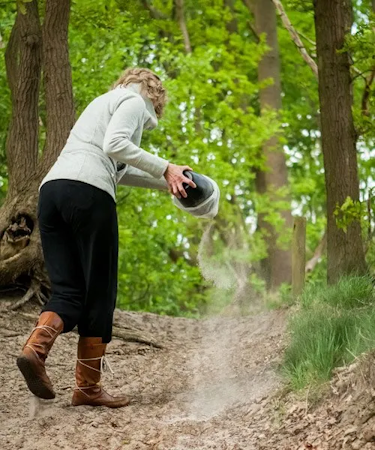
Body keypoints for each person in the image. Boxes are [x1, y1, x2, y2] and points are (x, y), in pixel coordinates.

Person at [16, 67, 197, 408]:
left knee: (69, 291)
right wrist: (166, 167)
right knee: (100, 292)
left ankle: (35, 349)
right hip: (89, 195)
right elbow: (116, 145)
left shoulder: (101, 104)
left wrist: (169, 182)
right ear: (153, 95)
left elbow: (119, 167)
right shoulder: (132, 100)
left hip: (53, 194)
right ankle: (87, 387)